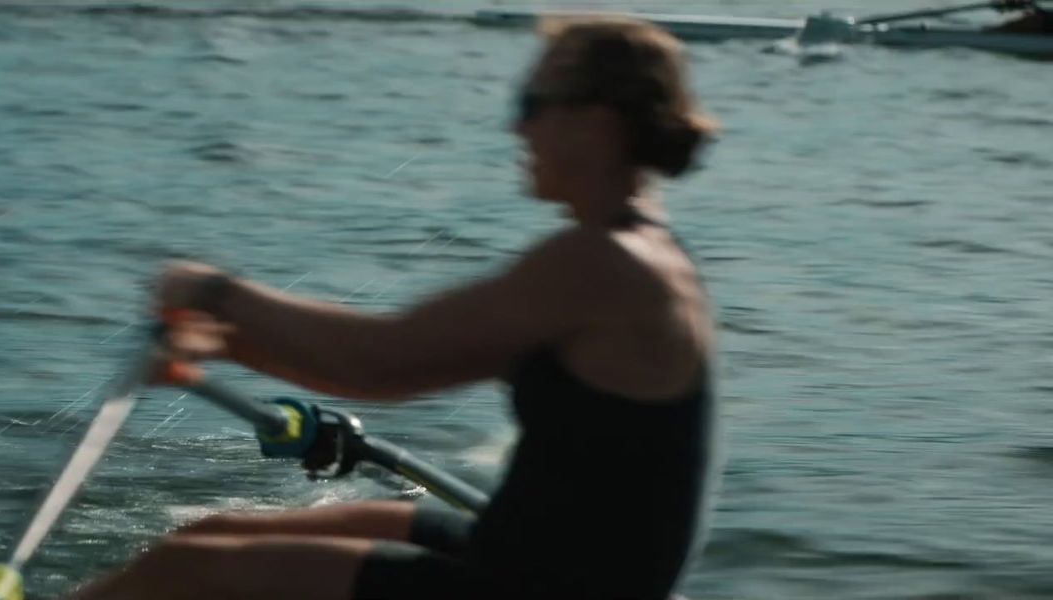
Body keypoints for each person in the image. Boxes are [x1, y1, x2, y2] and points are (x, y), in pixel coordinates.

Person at [70, 15, 722, 600]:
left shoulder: (601, 264)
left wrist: (216, 293)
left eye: (533, 104)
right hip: (525, 554)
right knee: (206, 537)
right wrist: (226, 342)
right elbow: (392, 369)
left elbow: (383, 362)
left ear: (598, 124)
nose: (516, 126)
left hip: (543, 586)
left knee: (187, 577)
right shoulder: (637, 254)